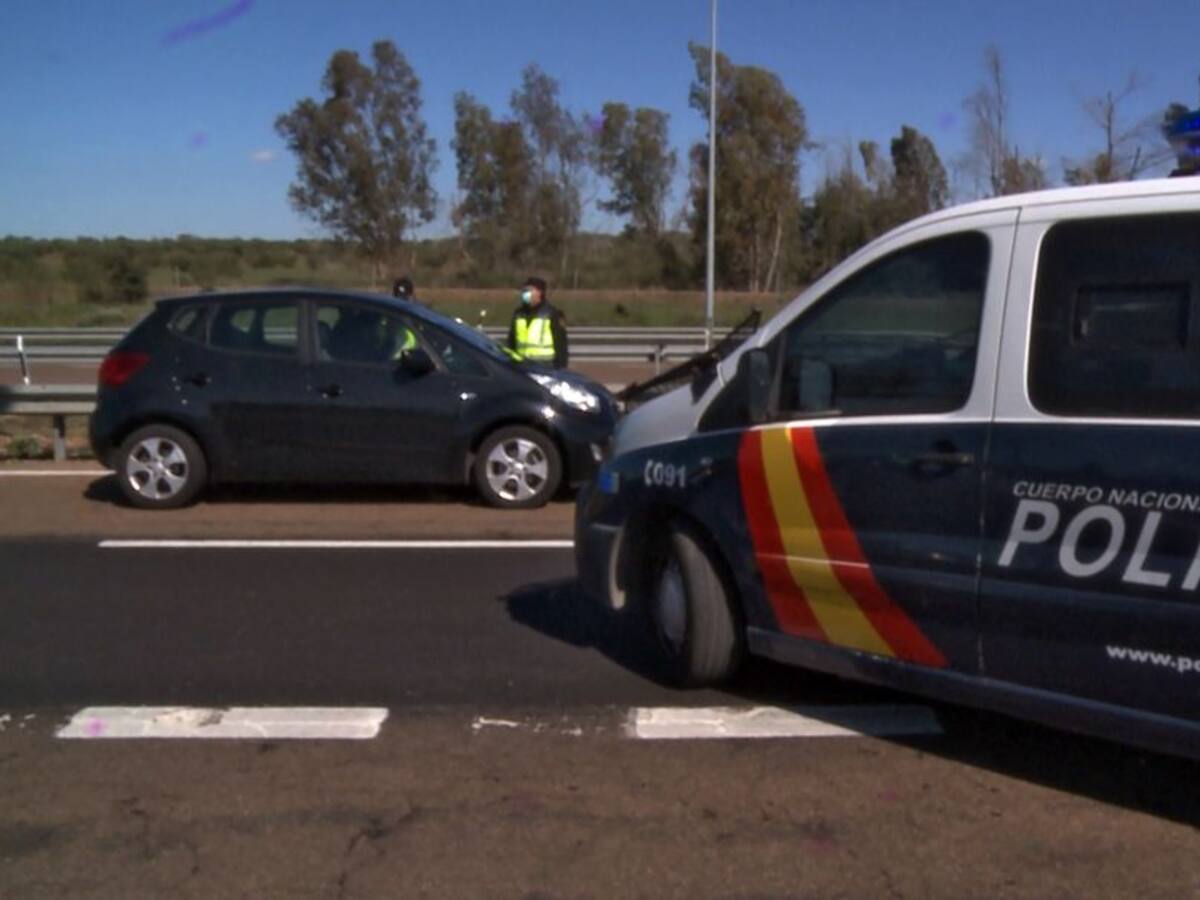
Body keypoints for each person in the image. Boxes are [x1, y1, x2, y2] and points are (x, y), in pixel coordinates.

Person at [506, 276, 568, 368]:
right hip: (522, 367)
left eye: (530, 290)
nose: (526, 294)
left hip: (546, 366)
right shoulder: (518, 314)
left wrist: (560, 368)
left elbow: (561, 345)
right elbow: (511, 342)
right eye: (525, 290)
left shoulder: (552, 314)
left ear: (540, 293)